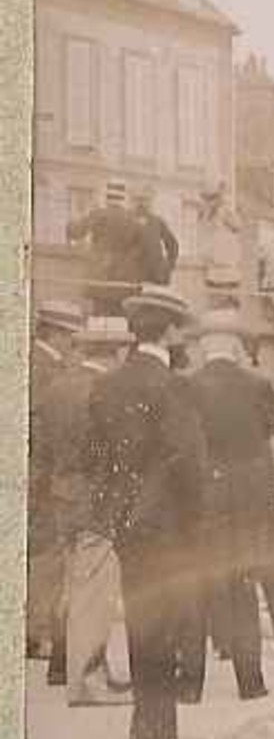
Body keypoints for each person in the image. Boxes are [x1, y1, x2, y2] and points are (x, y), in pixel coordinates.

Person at [86, 284, 207, 739]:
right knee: (167, 622)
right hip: (168, 524)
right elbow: (187, 461)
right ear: (172, 330)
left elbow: (94, 454)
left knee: (141, 619)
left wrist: (112, 508)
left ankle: (146, 729)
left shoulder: (107, 383)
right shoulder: (176, 386)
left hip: (126, 522)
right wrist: (194, 521)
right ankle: (158, 732)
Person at [33, 316, 134, 705]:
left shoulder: (56, 388)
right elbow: (111, 454)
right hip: (96, 500)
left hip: (62, 497)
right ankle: (86, 679)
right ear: (116, 351)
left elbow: (40, 449)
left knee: (72, 584)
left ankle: (67, 667)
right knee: (95, 590)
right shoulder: (106, 391)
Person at [179, 310, 274, 702]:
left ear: (203, 346)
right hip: (246, 501)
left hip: (202, 500)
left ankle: (190, 685)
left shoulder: (186, 387)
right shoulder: (258, 386)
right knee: (242, 588)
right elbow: (267, 433)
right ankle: (250, 681)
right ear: (236, 347)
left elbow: (182, 447)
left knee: (195, 589)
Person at [28, 300, 83, 663]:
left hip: (42, 475)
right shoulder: (46, 370)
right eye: (71, 337)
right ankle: (36, 634)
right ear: (58, 333)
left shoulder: (38, 362)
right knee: (47, 557)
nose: (73, 345)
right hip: (48, 479)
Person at [66, 180, 142, 314]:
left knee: (99, 320)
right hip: (124, 281)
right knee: (119, 322)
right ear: (123, 198)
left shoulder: (99, 214)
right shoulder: (132, 218)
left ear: (107, 197)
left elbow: (75, 233)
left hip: (101, 275)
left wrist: (77, 215)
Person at [131, 184, 180, 288]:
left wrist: (168, 267)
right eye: (138, 199)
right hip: (133, 277)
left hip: (155, 276)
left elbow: (173, 245)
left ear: (150, 202)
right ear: (133, 201)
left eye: (145, 200)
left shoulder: (157, 222)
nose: (141, 203)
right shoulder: (127, 220)